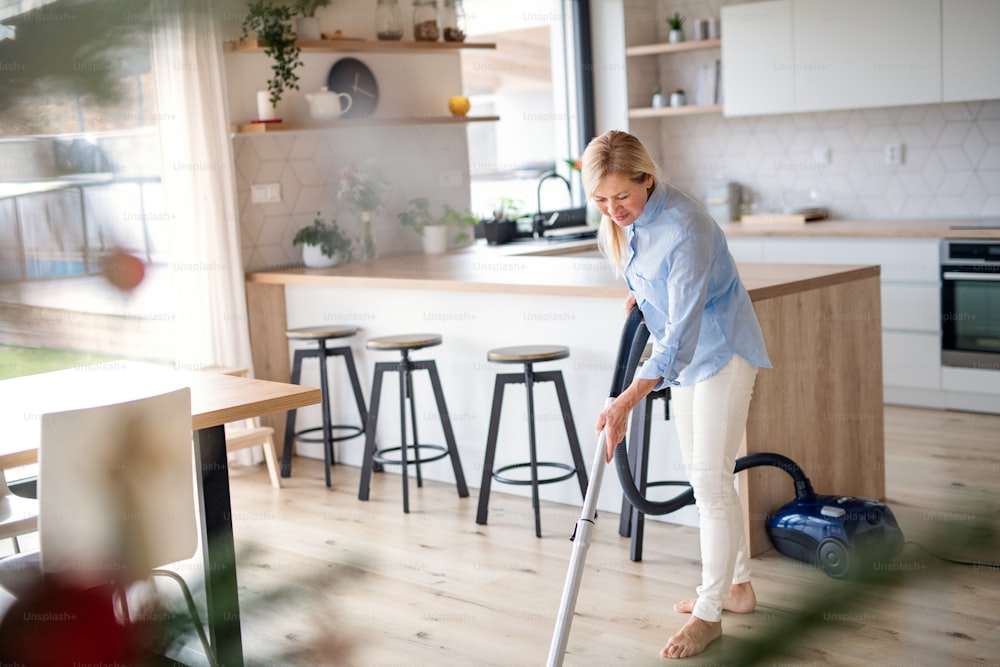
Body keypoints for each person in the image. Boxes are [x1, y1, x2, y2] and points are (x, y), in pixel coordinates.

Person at [583, 130, 772, 659]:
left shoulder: (685, 226)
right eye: (600, 199)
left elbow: (682, 337)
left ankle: (710, 615)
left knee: (710, 483)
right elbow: (660, 276)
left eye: (622, 195)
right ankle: (737, 588)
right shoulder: (637, 221)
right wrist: (642, 293)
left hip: (720, 355)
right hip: (690, 361)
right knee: (707, 479)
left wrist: (626, 400)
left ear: (648, 177)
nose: (613, 208)